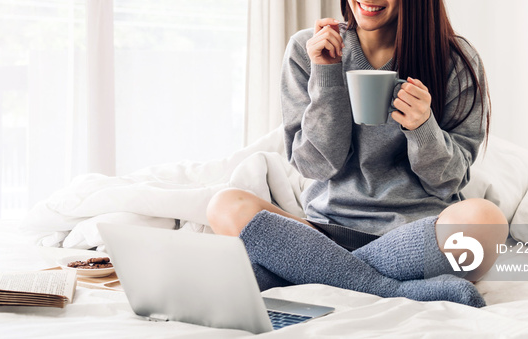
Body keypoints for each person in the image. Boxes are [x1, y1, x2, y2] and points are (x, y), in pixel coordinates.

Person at [206, 0, 508, 308]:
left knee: (486, 222)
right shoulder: (308, 49)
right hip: (324, 233)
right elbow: (315, 166)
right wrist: (326, 76)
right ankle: (391, 289)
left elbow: (447, 182)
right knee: (225, 205)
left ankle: (310, 271)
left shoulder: (455, 60)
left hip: (416, 237)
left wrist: (422, 127)